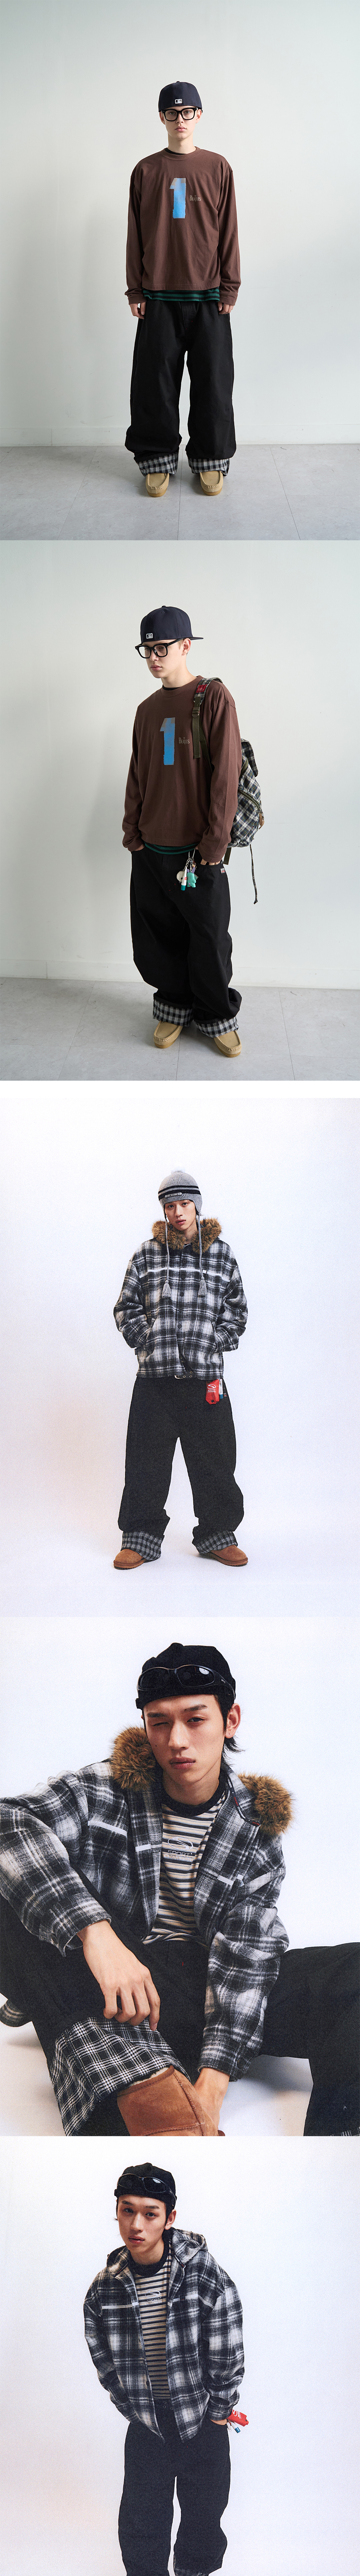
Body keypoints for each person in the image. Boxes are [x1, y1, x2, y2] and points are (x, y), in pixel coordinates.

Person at [1, 1640, 358, 2140]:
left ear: (230, 1720)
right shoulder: (104, 1788)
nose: (177, 1741)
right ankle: (150, 2096)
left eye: (195, 1720)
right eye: (160, 1722)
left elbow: (246, 1955)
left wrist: (212, 2084)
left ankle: (340, 2142)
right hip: (118, 1990)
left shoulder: (255, 1828)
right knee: (12, 1889)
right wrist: (96, 1934)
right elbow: (9, 1822)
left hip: (209, 1990)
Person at [84, 2158, 244, 2576]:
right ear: (116, 2212)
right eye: (127, 2210)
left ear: (170, 2217)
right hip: (148, 2424)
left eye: (150, 2213)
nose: (137, 2224)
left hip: (203, 2419)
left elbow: (227, 2344)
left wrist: (219, 2410)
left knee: (205, 2507)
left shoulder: (203, 2274)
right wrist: (132, 2406)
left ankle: (194, 2566)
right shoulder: (105, 2288)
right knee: (141, 2517)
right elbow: (103, 2357)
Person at [113, 1166, 248, 1571]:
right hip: (155, 1380)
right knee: (145, 1464)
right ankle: (140, 1538)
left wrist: (212, 1342)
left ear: (197, 1206)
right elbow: (125, 1308)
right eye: (170, 1205)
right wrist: (148, 1341)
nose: (177, 1212)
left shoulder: (222, 1254)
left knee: (215, 1463)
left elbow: (237, 1313)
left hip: (206, 1381)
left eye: (184, 1203)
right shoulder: (146, 1254)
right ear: (164, 1210)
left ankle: (218, 1535)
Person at [123, 608, 242, 1057]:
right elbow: (137, 774)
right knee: (157, 938)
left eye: (162, 648)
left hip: (198, 852)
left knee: (208, 939)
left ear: (186, 646)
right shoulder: (146, 710)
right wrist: (132, 831)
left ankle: (216, 1016)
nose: (154, 657)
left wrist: (215, 842)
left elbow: (226, 775)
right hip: (150, 847)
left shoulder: (213, 697)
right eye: (147, 649)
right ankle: (173, 1008)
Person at [125, 80, 240, 500]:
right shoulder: (146, 170)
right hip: (158, 296)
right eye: (172, 113)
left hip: (208, 295)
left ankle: (210, 460)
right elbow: (135, 235)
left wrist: (230, 286)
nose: (180, 120)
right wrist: (135, 290)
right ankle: (157, 460)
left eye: (187, 112)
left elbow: (229, 230)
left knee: (213, 384)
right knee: (154, 385)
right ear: (162, 117)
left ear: (199, 115)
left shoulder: (217, 167)